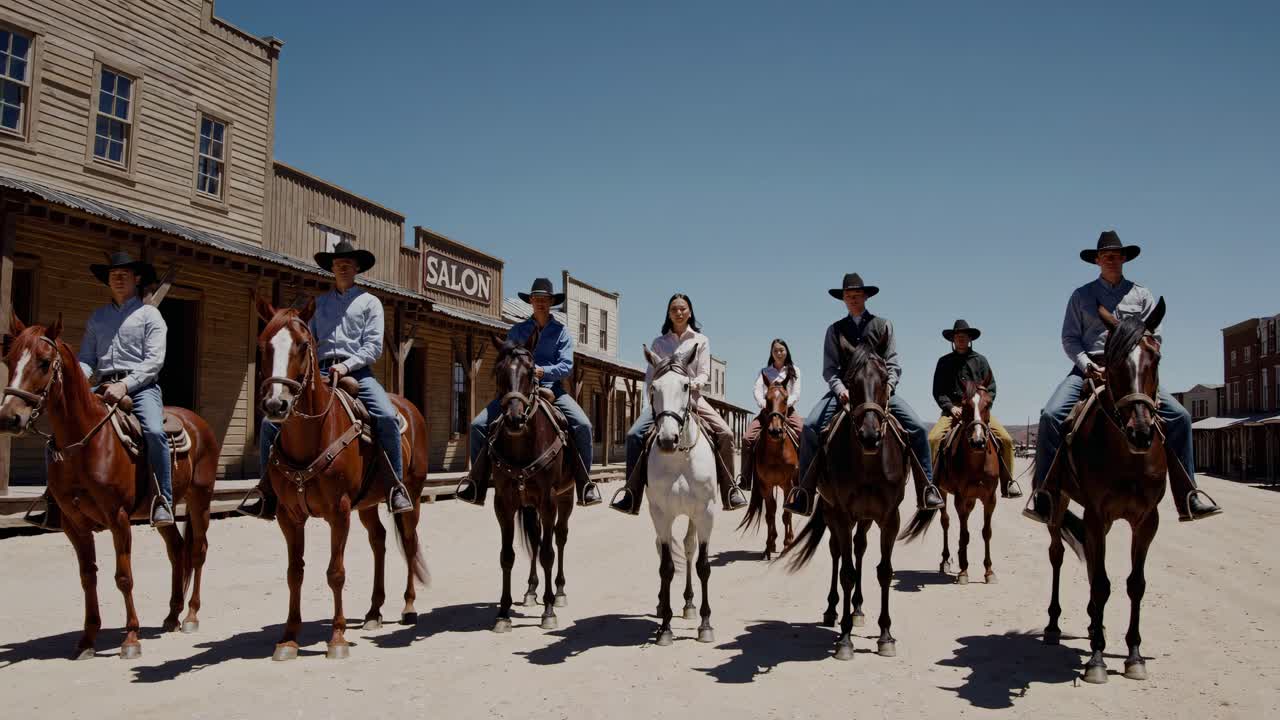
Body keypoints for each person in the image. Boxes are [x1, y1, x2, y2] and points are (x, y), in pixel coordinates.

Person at [1024, 230, 1222, 523]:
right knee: (1051, 416)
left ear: (1124, 258)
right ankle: (1045, 495)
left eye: (1117, 255)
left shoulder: (1142, 295)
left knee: (1180, 417)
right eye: (1106, 256)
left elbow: (1155, 340)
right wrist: (1086, 363)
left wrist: (1138, 359)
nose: (1112, 260)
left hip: (1131, 371)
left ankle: (1188, 496)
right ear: (1097, 260)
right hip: (1089, 367)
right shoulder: (1081, 296)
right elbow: (1069, 339)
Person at [237, 239, 413, 519]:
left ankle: (396, 487)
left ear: (356, 268)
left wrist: (346, 366)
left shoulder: (370, 303)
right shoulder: (318, 304)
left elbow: (373, 347)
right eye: (337, 265)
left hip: (358, 373)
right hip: (318, 373)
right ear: (332, 268)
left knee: (386, 416)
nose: (342, 268)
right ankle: (267, 492)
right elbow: (309, 342)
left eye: (347, 264)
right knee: (271, 423)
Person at [27, 252, 173, 529]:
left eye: (124, 275)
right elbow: (86, 359)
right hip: (100, 384)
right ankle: (54, 503)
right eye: (113, 275)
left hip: (140, 387)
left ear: (137, 278)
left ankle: (163, 500)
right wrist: (75, 382)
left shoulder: (150, 315)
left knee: (154, 431)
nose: (117, 279)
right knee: (58, 437)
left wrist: (125, 384)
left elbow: (154, 361)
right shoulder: (98, 317)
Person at [784, 272, 945, 516]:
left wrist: (889, 387)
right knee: (810, 428)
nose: (853, 299)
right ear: (843, 299)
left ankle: (927, 489)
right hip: (845, 392)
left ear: (866, 296)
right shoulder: (835, 330)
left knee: (919, 429)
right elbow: (830, 369)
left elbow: (892, 362)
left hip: (879, 392)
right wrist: (840, 390)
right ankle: (804, 492)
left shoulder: (883, 325)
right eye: (848, 296)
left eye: (857, 295)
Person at [454, 277, 602, 507]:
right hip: (518, 390)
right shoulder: (517, 330)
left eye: (545, 299)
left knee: (583, 426)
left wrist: (542, 372)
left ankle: (585, 484)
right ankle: (477, 482)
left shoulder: (561, 332)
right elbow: (505, 360)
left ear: (552, 302)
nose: (541, 303)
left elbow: (567, 366)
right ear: (530, 301)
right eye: (537, 299)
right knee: (477, 426)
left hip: (552, 390)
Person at [610, 293, 748, 514]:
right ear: (669, 313)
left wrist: (690, 384)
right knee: (634, 435)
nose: (679, 312)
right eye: (674, 309)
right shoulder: (659, 343)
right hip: (663, 402)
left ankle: (729, 491)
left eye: (682, 308)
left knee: (726, 433)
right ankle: (631, 494)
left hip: (692, 398)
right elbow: (650, 378)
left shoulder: (701, 341)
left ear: (690, 312)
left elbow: (704, 374)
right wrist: (650, 404)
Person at [928, 319, 1020, 497]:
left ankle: (1008, 483)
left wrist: (983, 405)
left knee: (1007, 440)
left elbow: (991, 387)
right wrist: (950, 407)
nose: (961, 338)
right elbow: (938, 390)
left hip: (978, 409)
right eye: (957, 336)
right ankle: (933, 484)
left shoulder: (981, 361)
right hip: (953, 410)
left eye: (964, 336)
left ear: (970, 339)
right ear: (953, 339)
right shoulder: (944, 362)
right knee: (933, 439)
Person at [738, 338, 804, 491]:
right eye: (775, 351)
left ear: (786, 352)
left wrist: (784, 404)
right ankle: (746, 479)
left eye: (781, 350)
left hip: (787, 410)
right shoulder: (765, 372)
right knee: (747, 438)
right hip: (767, 410)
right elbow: (757, 390)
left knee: (804, 434)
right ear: (771, 353)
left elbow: (796, 393)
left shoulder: (794, 370)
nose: (779, 353)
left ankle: (804, 478)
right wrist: (765, 404)